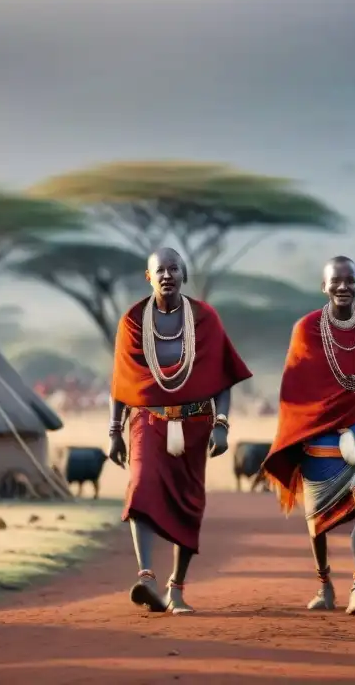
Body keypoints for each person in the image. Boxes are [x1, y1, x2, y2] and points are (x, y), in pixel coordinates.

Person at [108, 247, 252, 614]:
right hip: (146, 420)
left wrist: (222, 424)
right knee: (140, 486)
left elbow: (223, 375)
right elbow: (122, 382)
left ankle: (177, 588)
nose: (168, 275)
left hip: (196, 422)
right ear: (148, 277)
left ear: (184, 274)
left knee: (189, 503)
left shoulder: (204, 318)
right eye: (161, 270)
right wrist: (113, 431)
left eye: (174, 269)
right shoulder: (133, 321)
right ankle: (146, 578)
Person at [263, 256, 355, 615]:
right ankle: (325, 586)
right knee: (317, 519)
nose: (343, 287)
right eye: (336, 281)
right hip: (320, 433)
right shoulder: (306, 329)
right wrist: (296, 435)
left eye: (350, 280)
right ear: (324, 287)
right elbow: (292, 389)